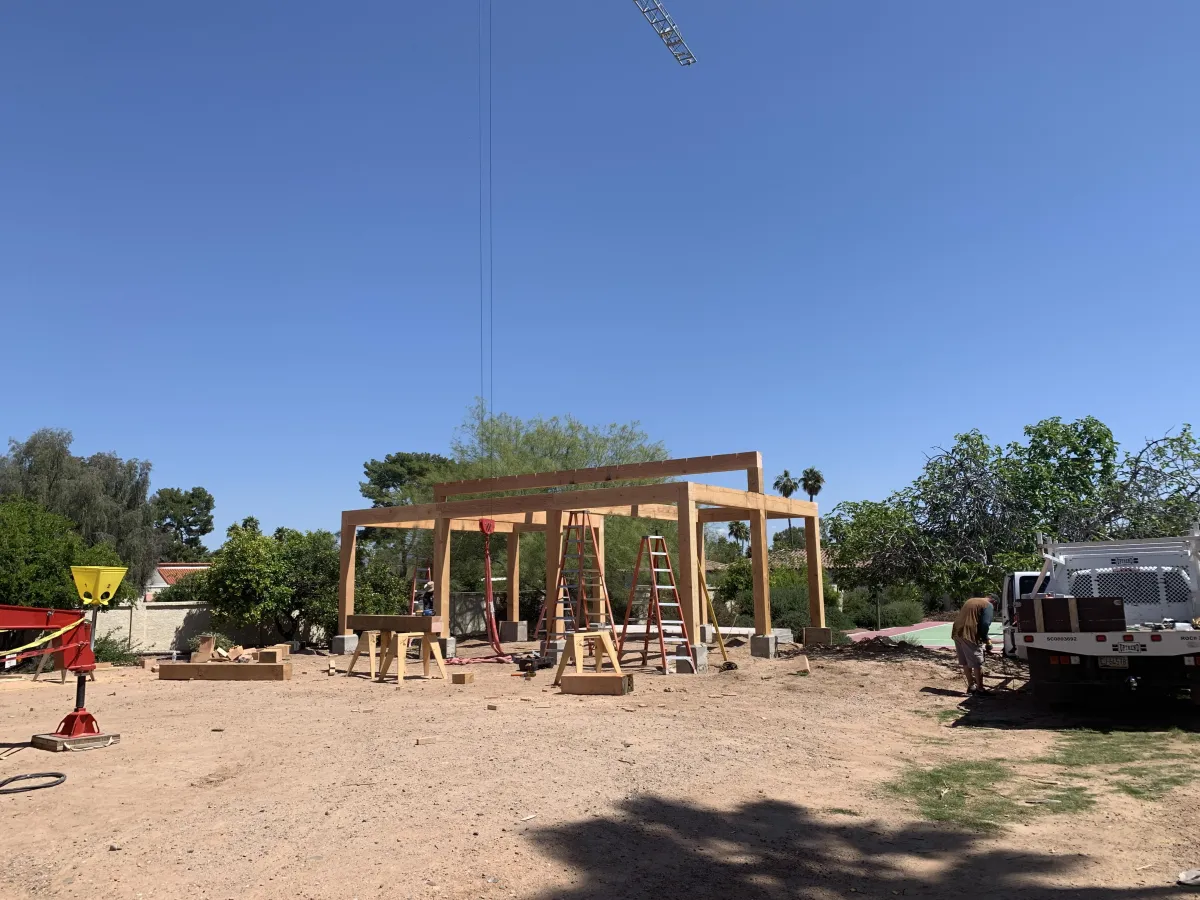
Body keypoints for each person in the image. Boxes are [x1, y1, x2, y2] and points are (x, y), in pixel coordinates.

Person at [951, 596, 994, 694]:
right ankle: (980, 689)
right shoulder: (988, 604)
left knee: (965, 661)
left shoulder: (970, 600)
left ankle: (971, 686)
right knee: (977, 663)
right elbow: (985, 623)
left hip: (957, 631)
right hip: (969, 633)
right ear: (994, 601)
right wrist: (985, 639)